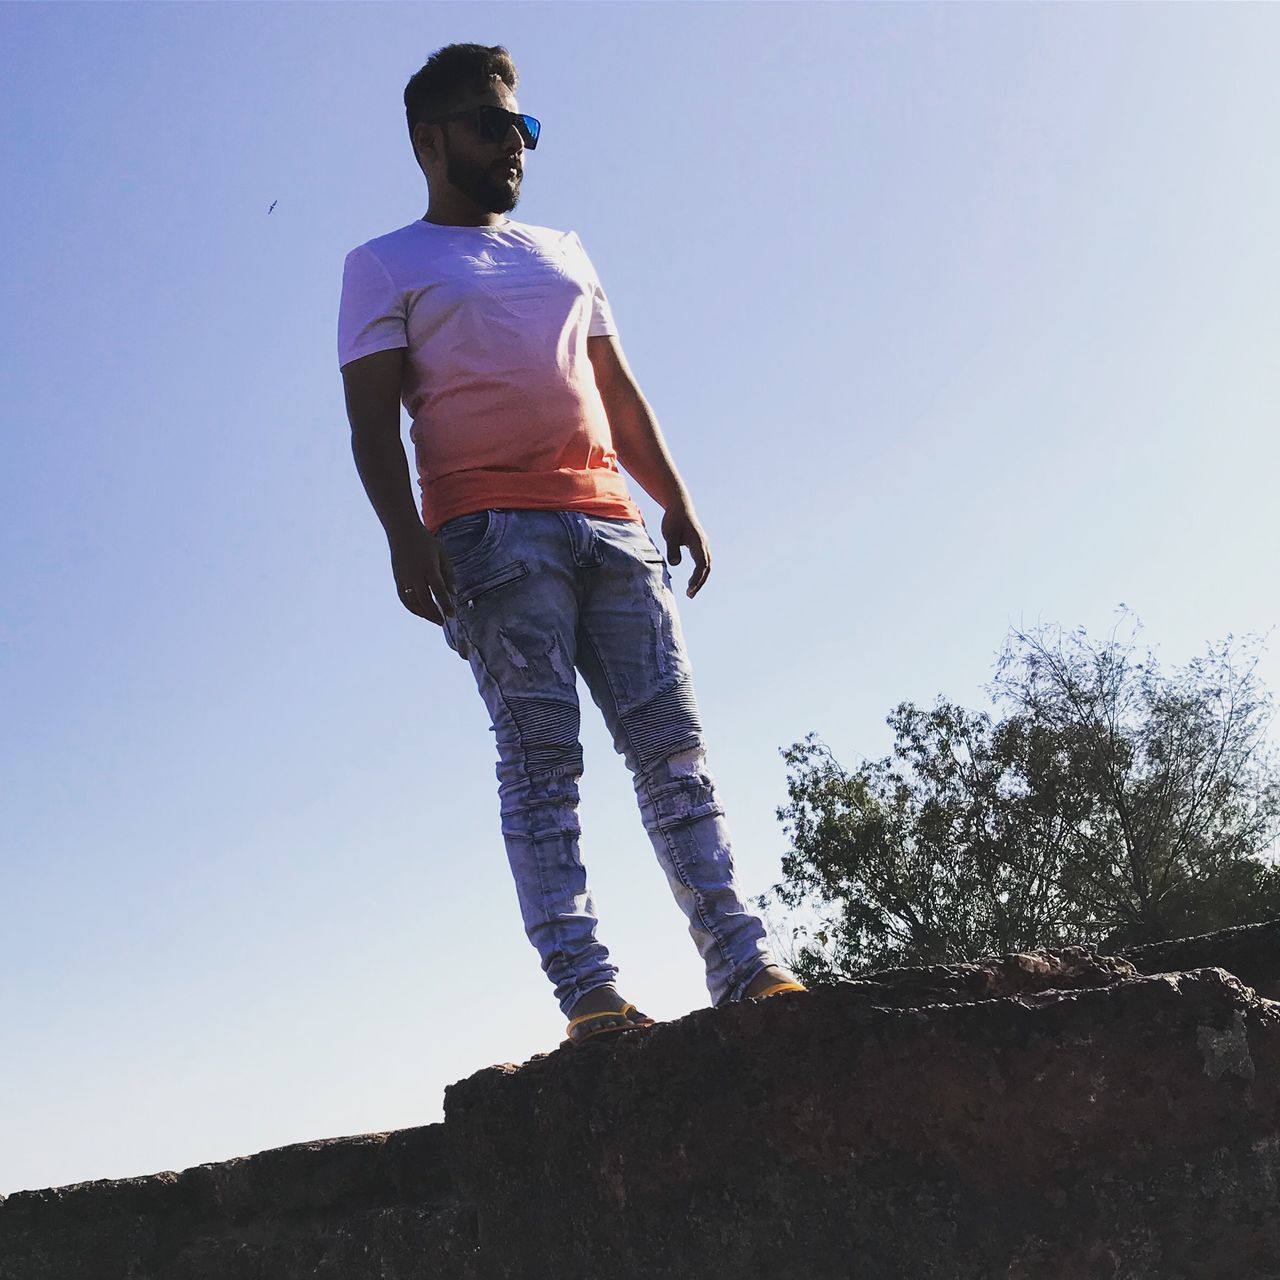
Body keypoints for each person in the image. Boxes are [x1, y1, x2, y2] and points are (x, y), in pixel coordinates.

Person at [337, 43, 803, 1047]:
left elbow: (615, 387)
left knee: (673, 754)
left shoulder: (564, 250)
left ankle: (744, 961)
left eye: (523, 126)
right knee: (541, 762)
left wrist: (671, 497)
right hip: (487, 533)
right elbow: (372, 422)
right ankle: (588, 992)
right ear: (429, 140)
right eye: (488, 124)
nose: (514, 143)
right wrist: (403, 537)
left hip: (609, 525)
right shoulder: (383, 264)